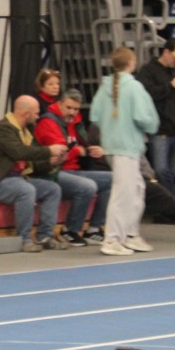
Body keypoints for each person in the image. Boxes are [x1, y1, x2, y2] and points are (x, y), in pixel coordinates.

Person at [91, 46, 160, 256]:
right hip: (126, 147)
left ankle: (130, 234)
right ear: (132, 63)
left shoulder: (105, 87)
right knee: (123, 194)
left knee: (137, 189)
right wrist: (150, 127)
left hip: (115, 147)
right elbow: (144, 118)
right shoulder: (134, 87)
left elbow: (95, 116)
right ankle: (112, 239)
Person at [0, 96, 67, 253]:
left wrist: (52, 162)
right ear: (26, 114)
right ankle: (24, 239)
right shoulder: (3, 129)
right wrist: (49, 150)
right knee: (26, 190)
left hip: (18, 179)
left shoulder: (25, 131)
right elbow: (19, 152)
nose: (38, 117)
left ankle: (45, 236)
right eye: (36, 113)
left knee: (53, 189)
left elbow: (31, 160)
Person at [33, 88, 112, 246]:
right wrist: (77, 151)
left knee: (113, 179)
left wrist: (94, 150)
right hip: (52, 172)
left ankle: (94, 229)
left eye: (76, 109)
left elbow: (83, 146)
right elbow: (59, 155)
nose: (72, 112)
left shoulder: (76, 122)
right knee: (87, 186)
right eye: (68, 107)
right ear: (60, 104)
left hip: (72, 170)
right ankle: (70, 230)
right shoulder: (48, 122)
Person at [136, 37, 175, 202]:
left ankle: (166, 205)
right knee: (162, 170)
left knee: (172, 172)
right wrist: (169, 86)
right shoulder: (147, 71)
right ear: (166, 52)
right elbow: (146, 95)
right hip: (160, 129)